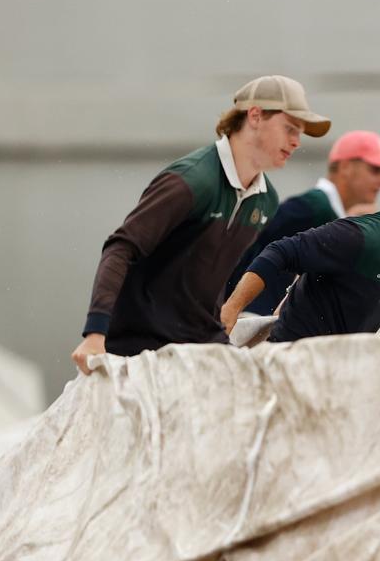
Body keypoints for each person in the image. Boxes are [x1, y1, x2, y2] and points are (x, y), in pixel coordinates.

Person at [70, 75, 329, 373]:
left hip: (202, 343)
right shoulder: (192, 182)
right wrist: (95, 333)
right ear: (255, 115)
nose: (297, 141)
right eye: (290, 128)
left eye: (300, 133)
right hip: (140, 347)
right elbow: (121, 247)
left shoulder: (266, 201)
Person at [220, 173, 380, 342]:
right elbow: (280, 252)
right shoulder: (361, 237)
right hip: (294, 364)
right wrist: (231, 311)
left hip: (337, 369)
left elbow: (313, 274)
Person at [224, 130, 380, 316]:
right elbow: (244, 249)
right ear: (345, 167)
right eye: (376, 170)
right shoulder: (309, 208)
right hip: (254, 323)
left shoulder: (323, 211)